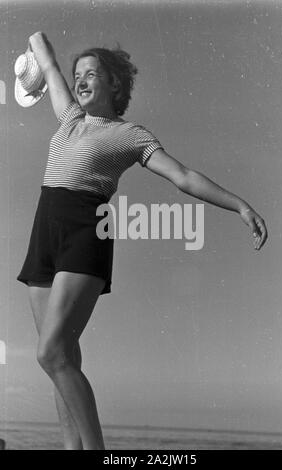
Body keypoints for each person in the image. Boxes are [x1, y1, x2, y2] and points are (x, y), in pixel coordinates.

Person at [16, 32, 268, 450]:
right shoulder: (70, 118)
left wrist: (239, 206)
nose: (80, 80)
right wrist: (34, 48)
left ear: (114, 84)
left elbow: (183, 177)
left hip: (85, 232)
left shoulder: (132, 135)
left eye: (91, 73)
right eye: (78, 74)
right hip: (44, 233)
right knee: (62, 359)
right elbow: (49, 64)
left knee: (51, 352)